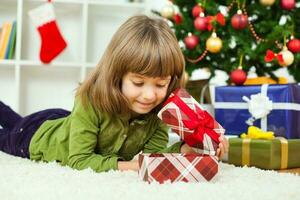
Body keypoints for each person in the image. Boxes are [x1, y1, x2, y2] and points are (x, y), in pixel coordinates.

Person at [0, 15, 228, 172]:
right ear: (116, 75)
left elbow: (153, 158)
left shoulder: (160, 111)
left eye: (160, 85)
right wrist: (128, 166)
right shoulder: (89, 100)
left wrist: (187, 148)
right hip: (34, 136)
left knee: (12, 117)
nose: (149, 95)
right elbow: (79, 160)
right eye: (138, 83)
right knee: (10, 127)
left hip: (68, 124)